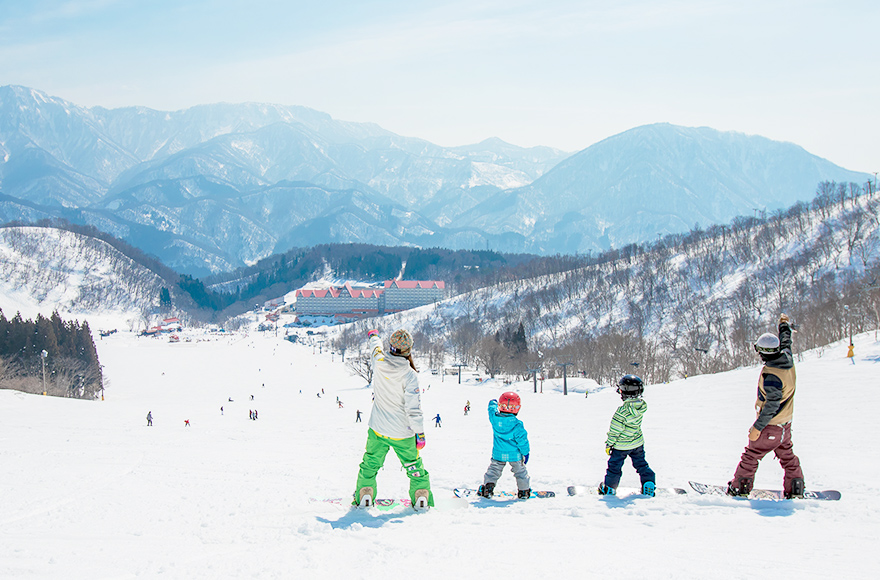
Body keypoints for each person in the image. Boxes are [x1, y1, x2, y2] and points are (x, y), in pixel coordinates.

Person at [353, 329, 433, 509]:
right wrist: (419, 433)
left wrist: (374, 336)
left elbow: (376, 348)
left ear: (391, 346)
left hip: (378, 429)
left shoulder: (379, 362)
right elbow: (413, 409)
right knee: (413, 466)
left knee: (370, 463)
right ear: (409, 350)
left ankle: (365, 493)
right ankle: (421, 495)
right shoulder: (410, 375)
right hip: (402, 433)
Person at [727, 314, 804, 498]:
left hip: (770, 427)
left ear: (762, 352)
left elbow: (771, 406)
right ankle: (796, 488)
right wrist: (784, 325)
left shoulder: (772, 376)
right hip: (785, 425)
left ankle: (739, 488)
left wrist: (757, 427)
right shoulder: (786, 358)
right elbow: (786, 341)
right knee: (787, 457)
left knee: (751, 455)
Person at [599, 375, 656, 497]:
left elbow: (615, 430)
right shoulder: (641, 406)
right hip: (637, 443)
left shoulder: (622, 412)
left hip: (621, 446)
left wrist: (609, 444)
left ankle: (609, 488)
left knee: (614, 467)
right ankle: (648, 483)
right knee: (641, 464)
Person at [478, 392, 531, 499]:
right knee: (520, 472)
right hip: (515, 455)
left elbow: (491, 410)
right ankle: (524, 491)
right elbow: (522, 441)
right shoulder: (517, 425)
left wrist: (493, 402)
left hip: (498, 453)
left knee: (494, 470)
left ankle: (488, 488)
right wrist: (525, 452)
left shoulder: (495, 419)